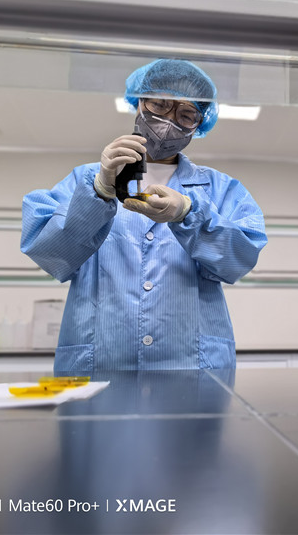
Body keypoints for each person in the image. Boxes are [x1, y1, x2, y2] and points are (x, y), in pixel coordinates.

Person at [21, 59, 267, 373]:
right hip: (100, 365)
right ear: (138, 102)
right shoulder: (84, 180)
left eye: (186, 114)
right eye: (160, 104)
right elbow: (48, 253)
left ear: (200, 124)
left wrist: (189, 213)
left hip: (190, 368)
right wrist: (99, 192)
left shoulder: (221, 189)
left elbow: (241, 259)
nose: (169, 120)